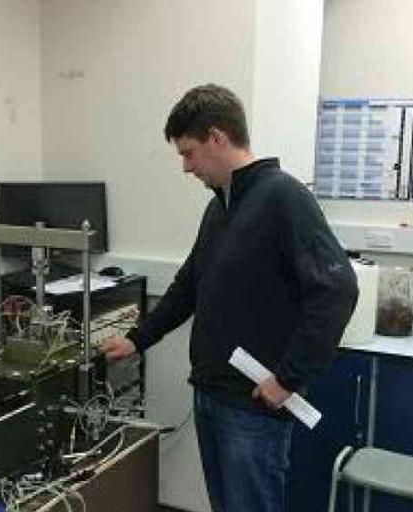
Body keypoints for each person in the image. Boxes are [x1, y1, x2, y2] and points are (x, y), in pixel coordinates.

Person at [100, 84, 358, 512]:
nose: (185, 167)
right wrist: (137, 338)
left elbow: (337, 288)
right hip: (211, 392)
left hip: (253, 406)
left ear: (218, 138)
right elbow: (188, 285)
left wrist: (289, 378)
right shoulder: (219, 207)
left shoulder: (283, 197)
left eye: (188, 152)